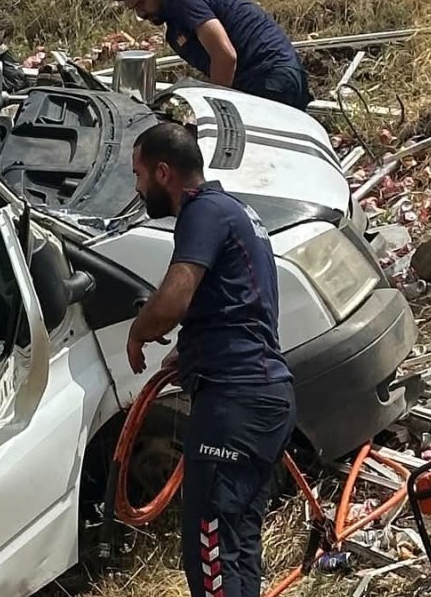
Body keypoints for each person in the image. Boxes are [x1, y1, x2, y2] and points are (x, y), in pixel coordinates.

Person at [124, 121, 297, 597]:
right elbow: (240, 301)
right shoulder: (233, 210)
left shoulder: (201, 212)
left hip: (236, 401)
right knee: (235, 543)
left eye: (139, 175)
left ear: (163, 172)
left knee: (211, 548)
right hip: (260, 395)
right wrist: (193, 349)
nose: (137, 189)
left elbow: (177, 293)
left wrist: (140, 333)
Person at [112, 0, 312, 110]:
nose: (140, 13)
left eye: (141, 3)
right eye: (134, 8)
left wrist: (217, 106)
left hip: (270, 79)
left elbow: (224, 55)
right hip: (273, 78)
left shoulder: (185, 0)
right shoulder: (176, 15)